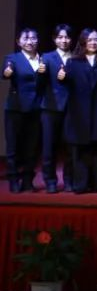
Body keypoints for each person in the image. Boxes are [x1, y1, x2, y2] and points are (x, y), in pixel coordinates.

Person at [61, 29, 97, 193]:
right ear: (83, 42)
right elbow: (67, 86)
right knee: (80, 150)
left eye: (96, 39)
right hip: (79, 112)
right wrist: (62, 78)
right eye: (89, 40)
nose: (93, 43)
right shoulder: (72, 62)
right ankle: (80, 184)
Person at [3, 28, 46, 192]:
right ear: (19, 42)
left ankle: (28, 179)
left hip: (36, 108)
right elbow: (6, 72)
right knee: (13, 145)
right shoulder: (12, 59)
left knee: (32, 146)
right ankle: (13, 179)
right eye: (26, 39)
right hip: (16, 108)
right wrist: (7, 72)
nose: (30, 42)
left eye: (33, 38)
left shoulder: (43, 59)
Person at [40, 25, 73, 193]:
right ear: (54, 39)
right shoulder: (46, 57)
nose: (64, 40)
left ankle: (68, 180)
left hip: (72, 108)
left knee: (70, 147)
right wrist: (40, 73)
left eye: (67, 37)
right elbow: (39, 83)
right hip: (50, 107)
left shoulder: (77, 57)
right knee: (49, 146)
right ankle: (50, 181)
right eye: (60, 37)